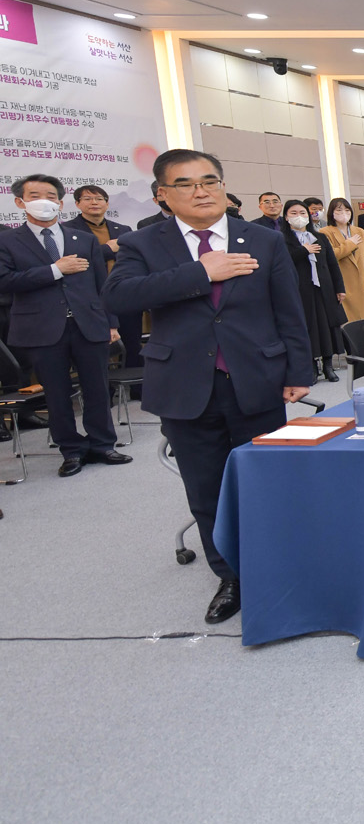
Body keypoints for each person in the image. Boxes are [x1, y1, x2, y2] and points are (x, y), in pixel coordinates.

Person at [104, 149, 313, 625]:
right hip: (183, 384)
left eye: (209, 180)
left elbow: (288, 308)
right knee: (206, 489)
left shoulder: (263, 239)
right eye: (186, 184)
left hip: (256, 378)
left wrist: (298, 371)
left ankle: (277, 564)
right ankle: (231, 575)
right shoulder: (141, 243)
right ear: (163, 194)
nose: (201, 191)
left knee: (265, 480)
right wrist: (201, 272)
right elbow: (118, 297)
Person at [0, 174, 129, 476]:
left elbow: (101, 283)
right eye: (34, 196)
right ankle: (71, 450)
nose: (43, 202)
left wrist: (111, 322)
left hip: (89, 324)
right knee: (57, 394)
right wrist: (54, 270)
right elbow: (4, 281)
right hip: (42, 328)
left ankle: (103, 444)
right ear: (20, 202)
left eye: (50, 196)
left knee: (97, 388)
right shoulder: (7, 240)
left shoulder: (82, 238)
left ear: (60, 203)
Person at [64, 183, 141, 373]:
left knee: (132, 345)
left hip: (124, 294)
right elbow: (75, 261)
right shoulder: (67, 231)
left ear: (107, 204)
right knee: (98, 350)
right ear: (77, 204)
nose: (94, 203)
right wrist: (107, 249)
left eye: (99, 199)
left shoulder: (122, 229)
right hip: (92, 298)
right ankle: (106, 387)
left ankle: (137, 387)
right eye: (88, 199)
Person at [279, 199, 346, 383]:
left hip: (323, 289)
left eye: (302, 213)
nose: (299, 217)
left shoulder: (320, 237)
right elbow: (283, 263)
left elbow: (332, 264)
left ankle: (328, 365)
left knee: (327, 326)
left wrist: (339, 288)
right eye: (293, 213)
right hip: (300, 290)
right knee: (308, 327)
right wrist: (304, 250)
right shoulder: (281, 239)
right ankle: (312, 366)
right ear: (286, 217)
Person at [319, 197, 364, 324]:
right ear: (332, 212)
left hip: (363, 283)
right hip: (343, 283)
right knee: (349, 322)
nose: (344, 213)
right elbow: (331, 256)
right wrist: (350, 244)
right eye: (339, 210)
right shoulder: (325, 232)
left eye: (347, 210)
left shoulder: (359, 231)